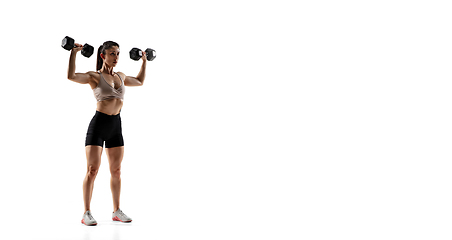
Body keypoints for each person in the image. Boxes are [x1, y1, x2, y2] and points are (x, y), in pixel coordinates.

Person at [67, 40, 147, 226]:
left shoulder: (121, 76)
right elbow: (71, 75)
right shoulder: (94, 76)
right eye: (112, 53)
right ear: (103, 55)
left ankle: (116, 211)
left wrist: (144, 61)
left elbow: (140, 81)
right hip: (99, 125)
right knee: (92, 170)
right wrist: (74, 53)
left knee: (116, 171)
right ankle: (86, 212)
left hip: (115, 126)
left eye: (118, 53)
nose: (116, 57)